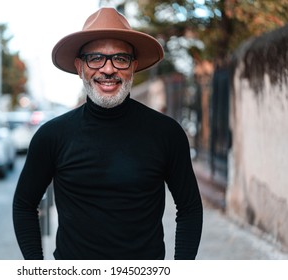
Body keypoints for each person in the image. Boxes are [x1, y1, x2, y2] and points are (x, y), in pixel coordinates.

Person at [13, 7, 203, 260]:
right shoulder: (52, 135)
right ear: (80, 67)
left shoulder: (166, 133)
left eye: (120, 59)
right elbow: (25, 205)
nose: (108, 69)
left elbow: (189, 208)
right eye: (95, 58)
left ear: (133, 67)